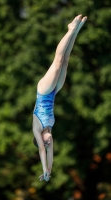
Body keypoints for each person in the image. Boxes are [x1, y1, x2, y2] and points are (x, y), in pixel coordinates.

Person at [32, 14, 87, 182]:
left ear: (39, 140)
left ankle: (70, 29)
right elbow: (50, 152)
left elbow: (43, 151)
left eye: (45, 143)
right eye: (49, 144)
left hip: (43, 91)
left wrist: (43, 169)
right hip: (54, 91)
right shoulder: (50, 128)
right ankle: (76, 30)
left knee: (57, 62)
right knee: (65, 61)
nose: (48, 144)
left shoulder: (37, 128)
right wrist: (50, 170)